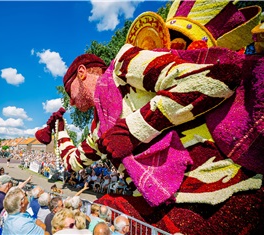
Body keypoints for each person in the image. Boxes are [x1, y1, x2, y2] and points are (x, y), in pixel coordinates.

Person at [35, 1, 264, 233]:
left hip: (218, 194)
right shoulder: (98, 127)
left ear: (81, 73)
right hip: (165, 204)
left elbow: (218, 75)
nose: (71, 102)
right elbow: (72, 162)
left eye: (69, 93)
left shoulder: (123, 64)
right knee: (102, 210)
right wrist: (59, 128)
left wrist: (134, 129)